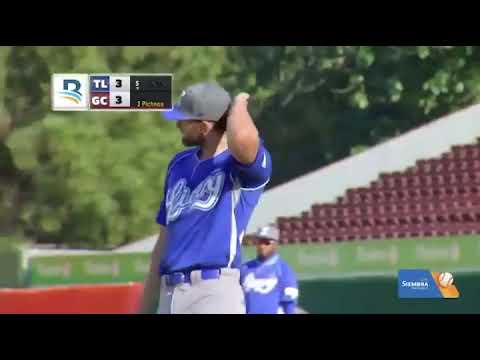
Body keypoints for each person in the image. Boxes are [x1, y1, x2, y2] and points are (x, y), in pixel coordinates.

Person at [139, 82, 272, 314]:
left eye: (184, 119)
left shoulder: (238, 165)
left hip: (214, 291)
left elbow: (242, 138)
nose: (178, 123)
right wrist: (143, 307)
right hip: (170, 292)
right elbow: (164, 240)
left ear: (203, 126)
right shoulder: (178, 164)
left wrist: (238, 102)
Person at [240, 225, 299, 314]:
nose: (262, 246)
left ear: (275, 244)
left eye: (266, 242)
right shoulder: (245, 268)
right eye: (259, 242)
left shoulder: (284, 270)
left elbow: (289, 303)